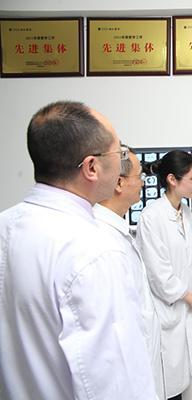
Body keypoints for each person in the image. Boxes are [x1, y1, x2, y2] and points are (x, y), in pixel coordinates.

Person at [0, 101, 156, 399]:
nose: (122, 164)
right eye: (119, 154)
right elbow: (114, 383)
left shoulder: (5, 225)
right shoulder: (95, 250)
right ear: (92, 167)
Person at [93, 147, 166, 399]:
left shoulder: (118, 232)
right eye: (139, 176)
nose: (143, 183)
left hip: (139, 372)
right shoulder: (102, 241)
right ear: (119, 183)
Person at [136, 150, 192, 400]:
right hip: (164, 313)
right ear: (172, 179)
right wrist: (191, 299)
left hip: (184, 309)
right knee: (163, 387)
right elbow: (159, 275)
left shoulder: (185, 212)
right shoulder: (151, 217)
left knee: (179, 385)